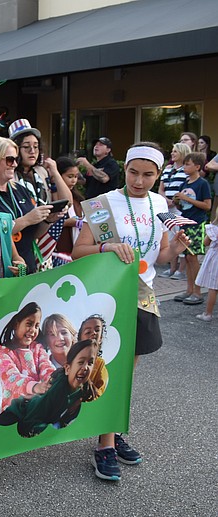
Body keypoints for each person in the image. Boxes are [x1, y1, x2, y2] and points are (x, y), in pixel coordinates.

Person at [73, 142, 192, 481]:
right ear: (124, 169)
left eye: (148, 174)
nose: (139, 181)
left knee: (125, 374)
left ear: (158, 174)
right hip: (108, 296)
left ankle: (110, 431)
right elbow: (80, 250)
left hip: (143, 296)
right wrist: (106, 246)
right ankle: (105, 445)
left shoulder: (159, 203)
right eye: (133, 172)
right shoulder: (102, 204)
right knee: (107, 367)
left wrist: (177, 249)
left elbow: (161, 257)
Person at [0, 136, 55, 274]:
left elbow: (31, 234)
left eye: (16, 160)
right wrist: (27, 219)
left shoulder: (20, 189)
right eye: (10, 160)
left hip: (26, 266)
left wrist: (46, 220)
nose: (15, 164)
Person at [0, 340, 96, 438]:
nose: (85, 367)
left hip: (40, 412)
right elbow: (31, 422)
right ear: (68, 369)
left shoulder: (84, 390)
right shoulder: (57, 389)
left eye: (90, 363)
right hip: (19, 411)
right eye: (81, 362)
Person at [0, 302, 55, 413]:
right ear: (16, 324)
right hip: (13, 410)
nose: (33, 329)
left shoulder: (37, 348)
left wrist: (54, 380)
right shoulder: (2, 353)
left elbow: (46, 366)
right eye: (29, 324)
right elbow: (12, 378)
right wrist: (35, 387)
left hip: (36, 405)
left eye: (36, 326)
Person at [173, 152, 213, 305]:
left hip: (196, 223)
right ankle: (189, 289)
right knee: (187, 257)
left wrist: (186, 198)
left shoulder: (202, 184)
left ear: (197, 166)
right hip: (185, 222)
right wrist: (177, 201)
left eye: (187, 164)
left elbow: (207, 206)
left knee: (192, 256)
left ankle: (197, 291)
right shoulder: (185, 183)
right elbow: (183, 205)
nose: (184, 167)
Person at [8, 119, 73, 206]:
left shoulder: (42, 172)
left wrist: (55, 173)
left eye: (36, 146)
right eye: (26, 146)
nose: (32, 151)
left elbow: (68, 202)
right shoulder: (9, 174)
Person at [158, 142, 191, 279]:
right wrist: (164, 199)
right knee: (170, 236)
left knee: (180, 235)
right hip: (167, 207)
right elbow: (161, 188)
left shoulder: (186, 171)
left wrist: (175, 201)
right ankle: (171, 268)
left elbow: (187, 189)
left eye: (175, 151)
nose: (172, 153)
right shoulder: (167, 169)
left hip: (180, 208)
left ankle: (181, 270)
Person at [77, 315, 109, 401]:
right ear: (80, 338)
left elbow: (100, 393)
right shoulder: (72, 359)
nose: (93, 333)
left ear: (101, 338)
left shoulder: (100, 364)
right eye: (88, 332)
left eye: (97, 330)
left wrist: (88, 388)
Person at [194, 209, 218, 322]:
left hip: (215, 259)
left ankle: (208, 313)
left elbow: (205, 242)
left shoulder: (214, 228)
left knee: (213, 287)